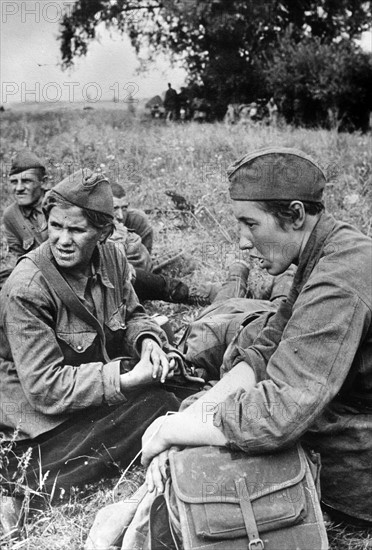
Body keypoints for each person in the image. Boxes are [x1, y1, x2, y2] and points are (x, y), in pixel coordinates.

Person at [88, 146, 371, 549]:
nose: (242, 242)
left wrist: (178, 431)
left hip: (359, 454)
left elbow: (279, 414)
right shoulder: (327, 250)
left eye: (249, 223)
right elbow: (264, 350)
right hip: (345, 418)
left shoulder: (340, 278)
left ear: (294, 214)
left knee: (256, 438)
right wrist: (188, 421)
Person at [0, 169, 180, 535]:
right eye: (55, 227)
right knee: (158, 408)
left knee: (176, 395)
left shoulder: (113, 258)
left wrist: (148, 342)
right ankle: (24, 487)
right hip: (37, 421)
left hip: (87, 390)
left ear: (103, 233)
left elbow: (131, 315)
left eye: (77, 231)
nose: (62, 240)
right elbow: (46, 388)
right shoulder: (27, 286)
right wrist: (129, 379)